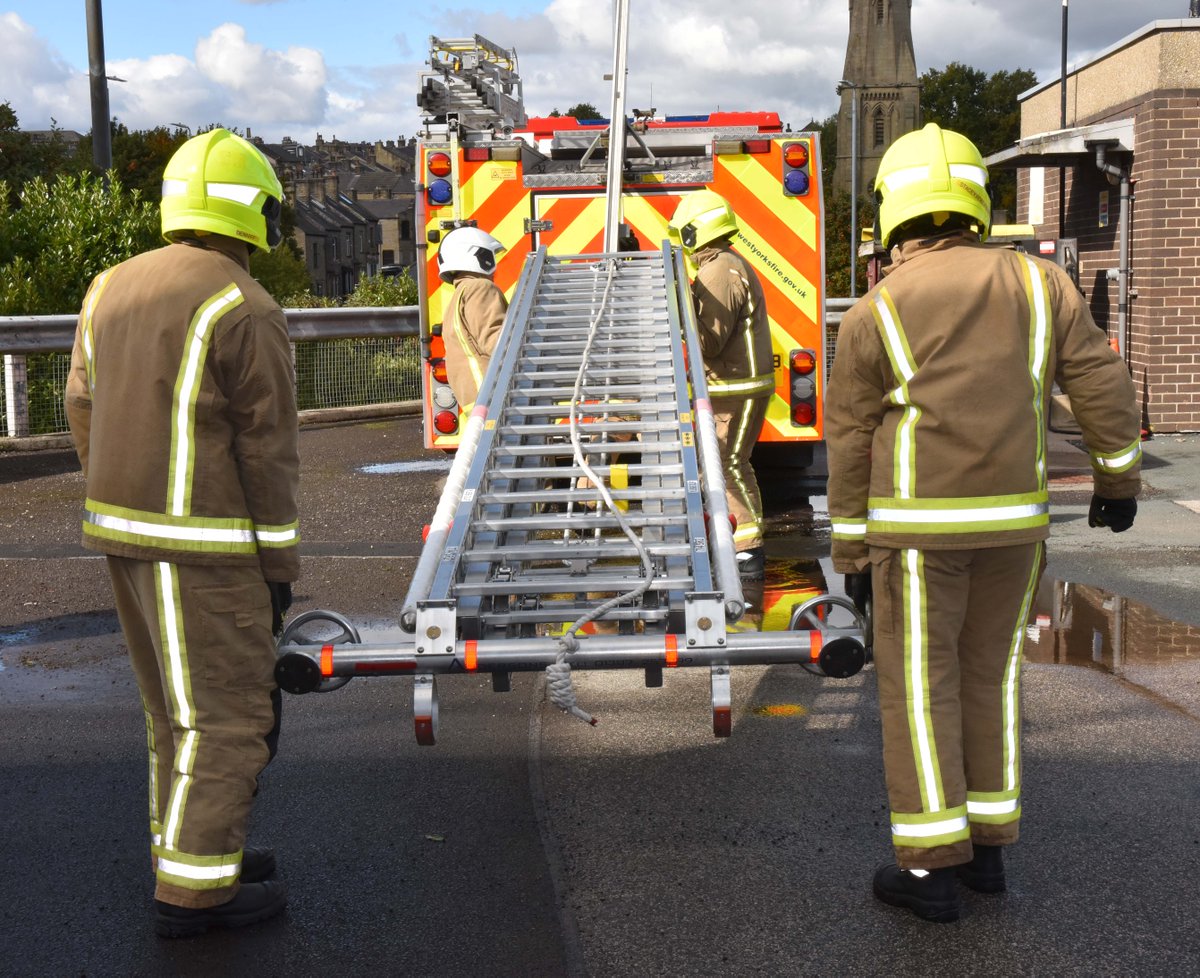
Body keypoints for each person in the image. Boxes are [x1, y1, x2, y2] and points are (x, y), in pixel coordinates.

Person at [826, 123, 1142, 923]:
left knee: (921, 691)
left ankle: (931, 870)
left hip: (916, 537)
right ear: (973, 200)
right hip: (1015, 533)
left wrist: (850, 544)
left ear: (894, 208)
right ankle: (989, 852)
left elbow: (853, 439)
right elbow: (1100, 384)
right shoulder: (1041, 287)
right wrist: (1117, 479)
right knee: (993, 679)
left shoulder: (877, 309)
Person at [65, 128, 300, 938]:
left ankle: (195, 851)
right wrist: (279, 562)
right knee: (230, 716)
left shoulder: (108, 288)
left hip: (121, 539)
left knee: (170, 713)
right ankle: (195, 895)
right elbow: (266, 451)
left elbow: (81, 405)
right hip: (206, 551)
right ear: (249, 210)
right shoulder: (244, 305)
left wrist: (115, 496)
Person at [668, 191, 773, 578]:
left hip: (734, 387)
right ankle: (739, 543)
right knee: (730, 463)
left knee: (728, 463)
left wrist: (678, 306)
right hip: (735, 384)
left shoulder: (718, 270)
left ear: (696, 232)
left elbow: (709, 341)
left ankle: (746, 549)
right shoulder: (726, 264)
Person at [437, 226, 509, 413]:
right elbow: (495, 342)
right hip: (490, 391)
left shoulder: (460, 293)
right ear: (478, 256)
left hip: (474, 396)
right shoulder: (480, 287)